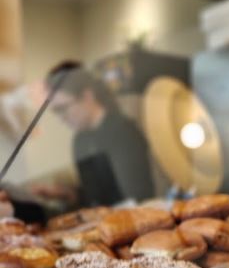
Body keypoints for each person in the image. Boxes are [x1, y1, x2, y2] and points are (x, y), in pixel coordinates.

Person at [34, 61, 155, 207]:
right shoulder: (80, 141)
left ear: (87, 96)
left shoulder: (124, 132)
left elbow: (137, 197)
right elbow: (94, 197)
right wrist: (65, 194)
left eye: (63, 108)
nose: (61, 119)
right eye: (56, 112)